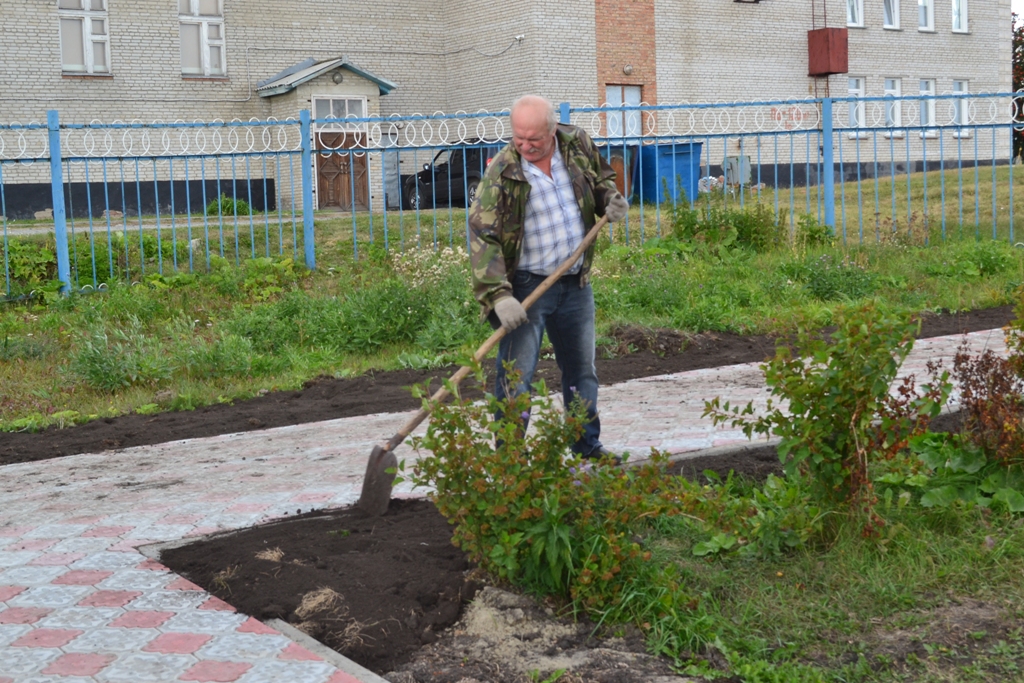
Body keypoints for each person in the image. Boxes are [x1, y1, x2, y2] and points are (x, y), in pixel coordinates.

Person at [468, 94, 629, 461]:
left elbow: (601, 179)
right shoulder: (502, 172)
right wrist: (498, 296)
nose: (525, 145)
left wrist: (610, 200)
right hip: (526, 289)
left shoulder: (576, 144)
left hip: (574, 283)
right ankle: (511, 460)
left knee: (581, 372)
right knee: (516, 378)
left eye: (534, 139)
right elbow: (483, 235)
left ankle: (586, 446)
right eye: (518, 137)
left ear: (552, 130)